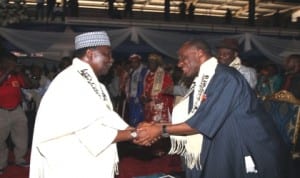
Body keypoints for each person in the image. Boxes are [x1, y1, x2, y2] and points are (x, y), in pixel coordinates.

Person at [134, 39, 288, 178]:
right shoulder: (205, 78)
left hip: (246, 146)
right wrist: (156, 126)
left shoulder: (226, 77)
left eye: (183, 58)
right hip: (222, 140)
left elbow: (201, 122)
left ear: (199, 54)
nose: (179, 63)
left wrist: (160, 130)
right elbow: (195, 115)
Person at [29, 31, 142, 178]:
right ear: (90, 54)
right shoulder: (71, 81)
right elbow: (91, 132)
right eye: (107, 54)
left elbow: (105, 115)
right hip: (69, 165)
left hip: (81, 161)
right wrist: (135, 134)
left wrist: (129, 129)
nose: (111, 60)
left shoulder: (92, 83)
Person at [0, 52, 31, 175]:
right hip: (1, 111)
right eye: (12, 62)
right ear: (4, 63)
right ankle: (1, 163)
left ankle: (20, 159)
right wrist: (8, 71)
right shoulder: (3, 73)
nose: (14, 64)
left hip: (17, 110)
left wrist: (20, 72)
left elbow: (29, 85)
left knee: (21, 136)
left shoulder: (16, 75)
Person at [142, 53, 174, 123]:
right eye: (149, 62)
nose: (150, 64)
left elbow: (169, 91)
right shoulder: (148, 75)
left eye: (152, 63)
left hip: (160, 108)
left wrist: (153, 98)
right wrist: (143, 97)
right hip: (149, 108)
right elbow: (145, 89)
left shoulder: (164, 75)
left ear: (157, 64)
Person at [126, 54, 148, 126]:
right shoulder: (131, 72)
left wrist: (143, 95)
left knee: (140, 116)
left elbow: (146, 84)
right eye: (132, 62)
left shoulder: (145, 71)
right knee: (132, 116)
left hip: (140, 98)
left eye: (135, 62)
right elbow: (128, 84)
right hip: (132, 97)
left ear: (139, 62)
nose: (133, 64)